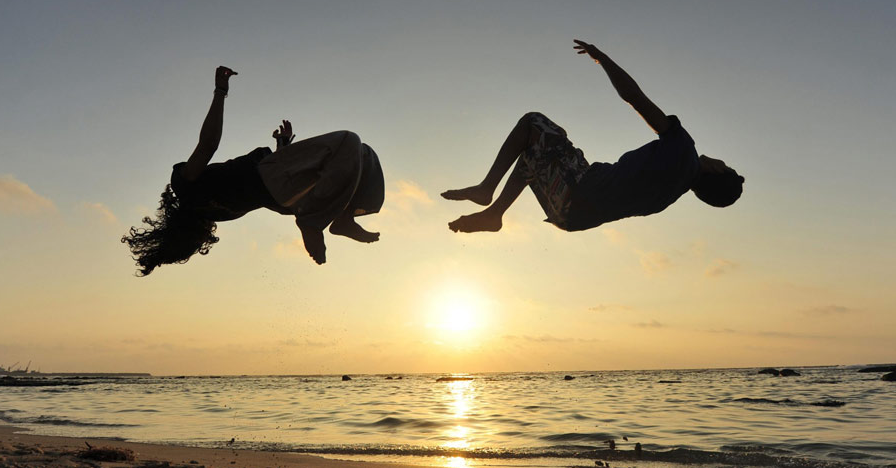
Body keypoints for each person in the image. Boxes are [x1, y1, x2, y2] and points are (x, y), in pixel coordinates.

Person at [442, 40, 743, 234]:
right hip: (570, 218)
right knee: (534, 154)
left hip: (581, 186)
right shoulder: (669, 196)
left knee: (533, 123)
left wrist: (603, 59)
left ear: (718, 170)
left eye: (725, 165)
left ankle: (486, 189)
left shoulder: (683, 150)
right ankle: (494, 214)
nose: (721, 160)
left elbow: (633, 97)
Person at [123, 66, 384, 275]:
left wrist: (282, 147)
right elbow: (208, 145)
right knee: (349, 142)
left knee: (361, 156)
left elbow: (262, 188)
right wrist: (219, 92)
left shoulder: (218, 213)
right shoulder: (186, 187)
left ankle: (343, 217)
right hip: (278, 180)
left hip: (287, 196)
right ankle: (314, 224)